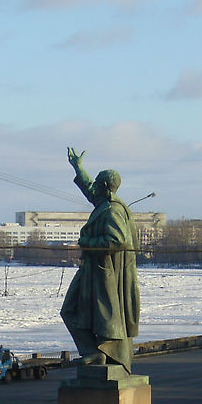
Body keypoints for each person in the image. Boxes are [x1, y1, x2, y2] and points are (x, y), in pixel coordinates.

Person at [60, 147, 140, 373]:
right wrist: (78, 167)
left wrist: (86, 241)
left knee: (76, 311)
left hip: (105, 276)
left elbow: (116, 241)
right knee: (74, 311)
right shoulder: (104, 204)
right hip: (94, 272)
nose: (93, 186)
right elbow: (90, 191)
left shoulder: (113, 210)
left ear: (105, 187)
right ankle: (93, 352)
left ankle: (97, 352)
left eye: (96, 182)